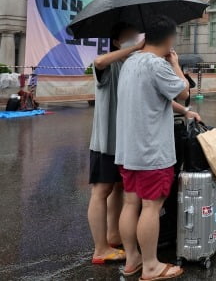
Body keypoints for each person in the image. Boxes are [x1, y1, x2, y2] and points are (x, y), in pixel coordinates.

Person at [116, 16, 188, 280]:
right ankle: (150, 266)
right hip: (151, 151)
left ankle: (132, 259)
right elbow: (184, 92)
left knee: (130, 203)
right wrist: (176, 64)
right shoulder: (158, 65)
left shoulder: (130, 61)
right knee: (151, 207)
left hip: (128, 148)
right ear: (169, 39)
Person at [87, 22, 141, 265]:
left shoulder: (128, 65)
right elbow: (98, 62)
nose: (136, 40)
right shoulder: (108, 65)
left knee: (118, 188)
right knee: (101, 191)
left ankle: (113, 235)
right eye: (130, 37)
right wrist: (136, 48)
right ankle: (100, 248)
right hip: (106, 141)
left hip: (123, 141)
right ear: (118, 42)